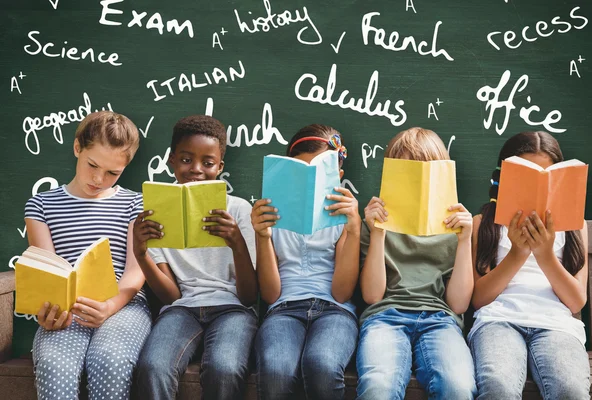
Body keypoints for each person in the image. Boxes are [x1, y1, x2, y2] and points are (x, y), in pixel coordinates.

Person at [25, 111, 150, 400]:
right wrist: (50, 313)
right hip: (66, 310)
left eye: (112, 173)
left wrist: (109, 306)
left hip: (123, 305)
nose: (98, 179)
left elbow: (135, 271)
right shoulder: (41, 205)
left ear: (125, 167)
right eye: (92, 165)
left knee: (109, 360)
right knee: (55, 366)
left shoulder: (134, 203)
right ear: (77, 148)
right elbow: (48, 272)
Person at [134, 115, 258, 400]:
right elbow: (170, 296)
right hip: (182, 308)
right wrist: (141, 255)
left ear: (220, 167)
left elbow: (249, 296)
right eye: (186, 160)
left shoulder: (238, 210)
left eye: (208, 163)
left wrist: (236, 242)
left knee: (224, 368)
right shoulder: (157, 212)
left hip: (233, 309)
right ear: (171, 160)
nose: (196, 170)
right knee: (153, 366)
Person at [356, 127, 477, 400]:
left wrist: (465, 240)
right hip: (385, 317)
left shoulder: (456, 225)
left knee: (457, 388)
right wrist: (377, 234)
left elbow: (458, 305)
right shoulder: (377, 222)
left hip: (440, 319)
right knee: (378, 387)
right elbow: (372, 296)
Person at [469, 131, 590, 399]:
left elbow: (576, 301)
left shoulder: (574, 226)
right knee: (497, 386)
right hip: (498, 320)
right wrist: (518, 253)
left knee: (570, 390)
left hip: (556, 324)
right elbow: (479, 299)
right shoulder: (484, 223)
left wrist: (545, 255)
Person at [251, 124, 361, 400]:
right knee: (276, 370)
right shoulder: (272, 217)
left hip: (335, 310)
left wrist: (354, 229)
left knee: (321, 365)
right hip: (284, 308)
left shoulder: (343, 220)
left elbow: (342, 293)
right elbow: (270, 294)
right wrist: (262, 237)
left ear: (338, 175)